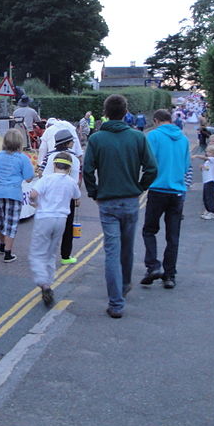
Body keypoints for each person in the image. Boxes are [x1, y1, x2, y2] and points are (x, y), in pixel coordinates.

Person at [83, 94, 157, 319]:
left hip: (107, 202)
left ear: (105, 113)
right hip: (131, 200)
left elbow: (87, 170)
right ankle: (124, 284)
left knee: (111, 252)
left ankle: (116, 303)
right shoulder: (137, 137)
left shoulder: (97, 139)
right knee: (127, 246)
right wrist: (140, 187)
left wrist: (94, 192)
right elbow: (152, 169)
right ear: (126, 112)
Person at [140, 109, 190, 290]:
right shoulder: (184, 139)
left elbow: (148, 163)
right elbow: (186, 168)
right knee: (173, 236)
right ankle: (169, 275)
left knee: (149, 231)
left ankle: (153, 266)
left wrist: (143, 184)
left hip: (157, 189)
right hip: (177, 192)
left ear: (156, 121)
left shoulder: (153, 136)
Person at [29, 154, 81, 307]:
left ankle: (43, 283)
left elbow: (33, 194)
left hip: (45, 217)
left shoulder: (47, 179)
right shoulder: (71, 182)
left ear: (54, 165)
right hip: (61, 219)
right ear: (69, 168)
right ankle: (49, 281)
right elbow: (76, 198)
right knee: (51, 252)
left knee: (38, 252)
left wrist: (34, 202)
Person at [0, 128, 35, 262]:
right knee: (11, 222)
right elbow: (29, 178)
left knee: (1, 219)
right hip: (13, 192)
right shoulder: (22, 158)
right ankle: (8, 253)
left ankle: (2, 245)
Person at [38, 128, 81, 264]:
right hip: (67, 197)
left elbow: (42, 174)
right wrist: (76, 197)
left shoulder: (49, 156)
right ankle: (66, 256)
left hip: (49, 196)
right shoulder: (73, 157)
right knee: (67, 227)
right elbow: (76, 179)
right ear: (68, 143)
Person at [193, 144, 214, 220]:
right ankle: (208, 210)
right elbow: (207, 169)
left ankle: (212, 212)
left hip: (210, 180)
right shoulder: (208, 162)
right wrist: (202, 167)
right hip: (206, 180)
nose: (207, 153)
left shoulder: (213, 159)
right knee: (205, 196)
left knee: (209, 196)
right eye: (207, 152)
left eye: (209, 152)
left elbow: (205, 157)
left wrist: (197, 156)